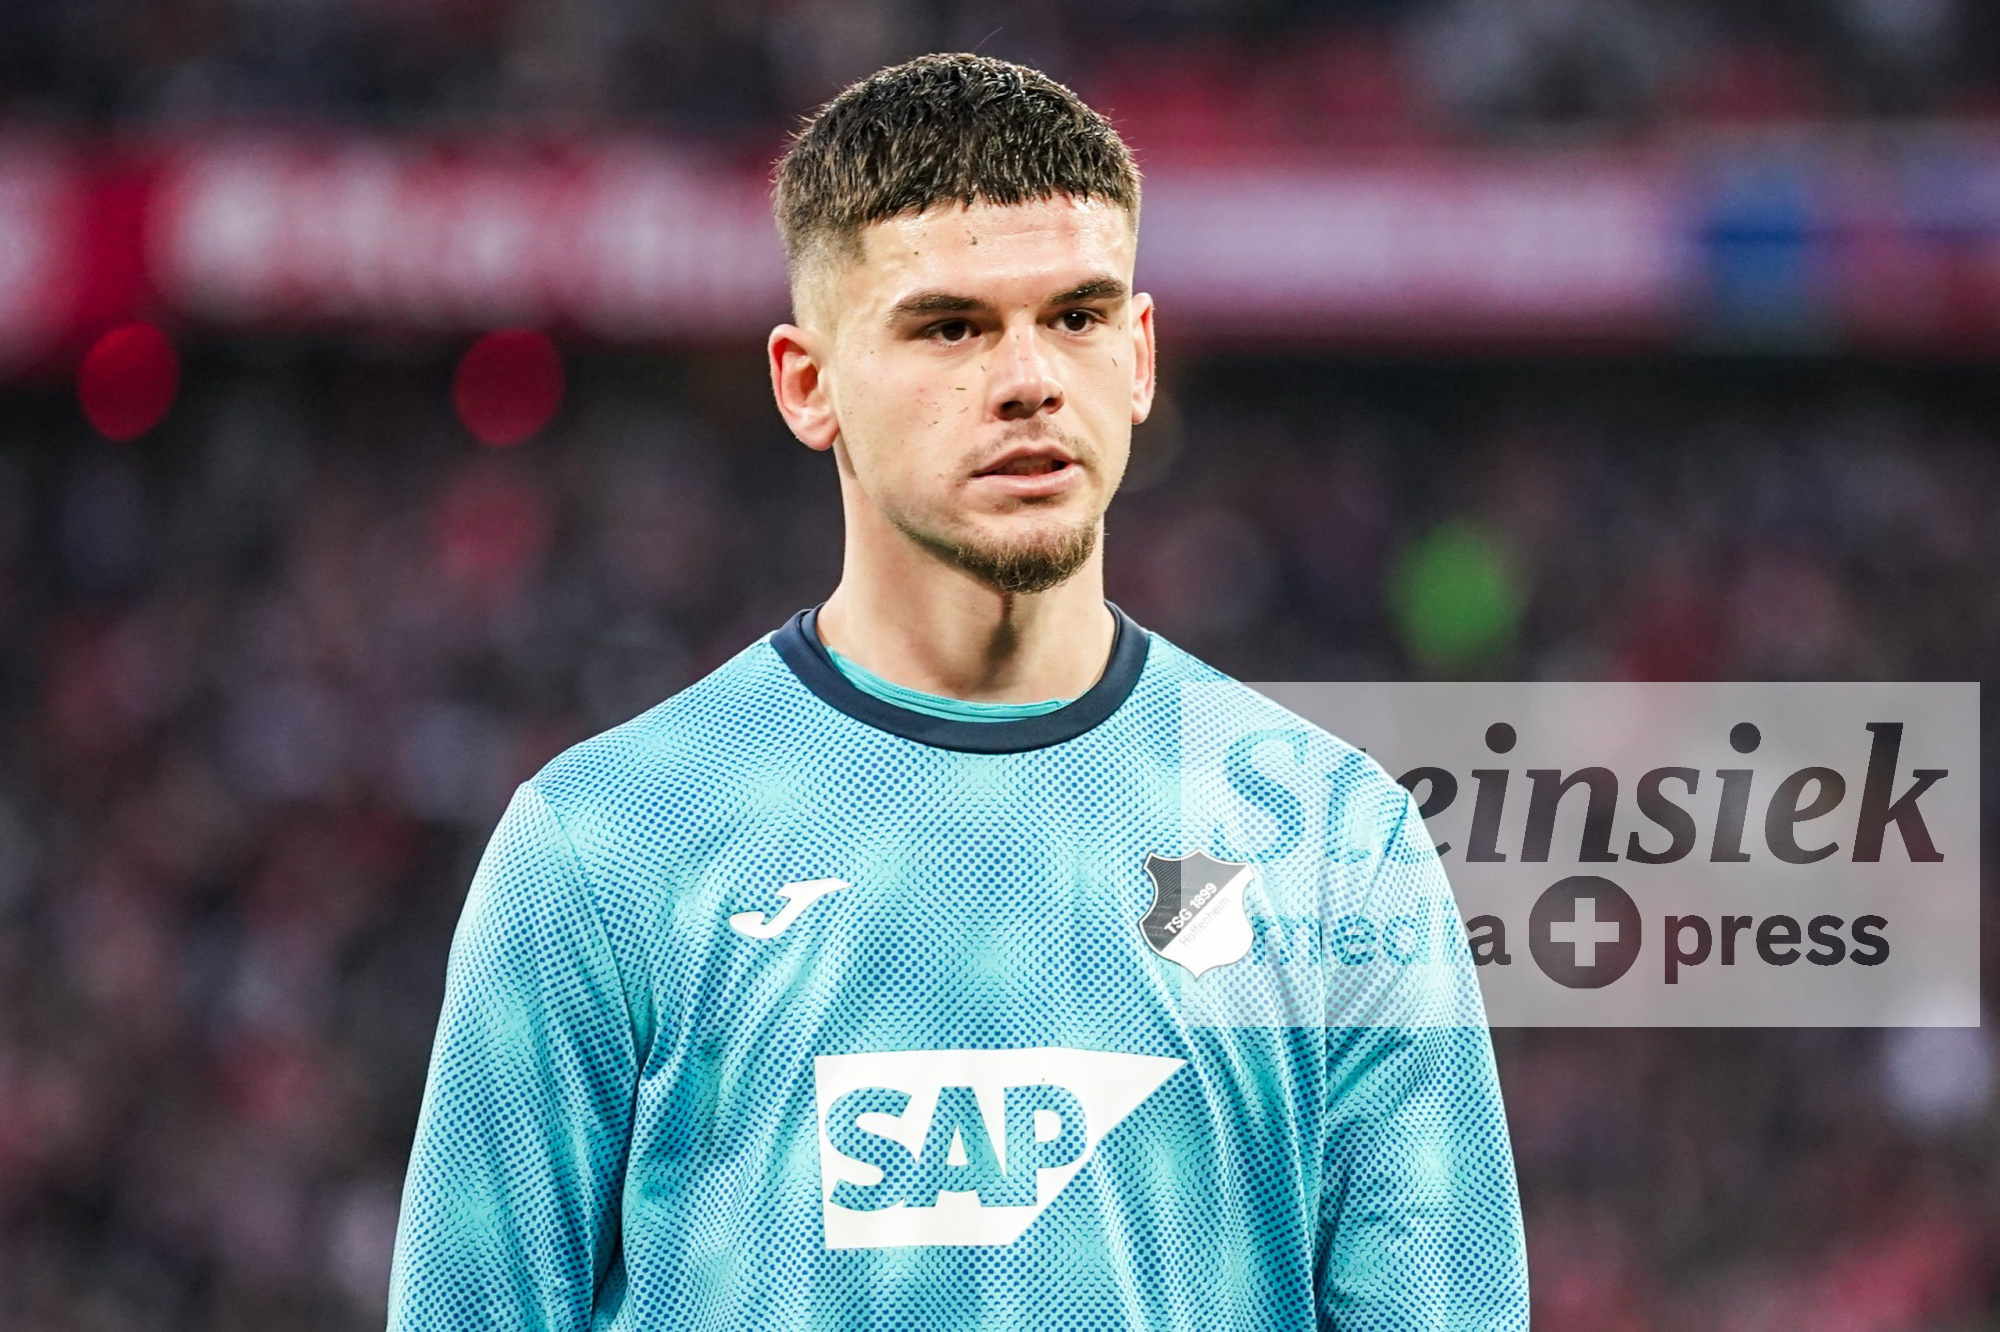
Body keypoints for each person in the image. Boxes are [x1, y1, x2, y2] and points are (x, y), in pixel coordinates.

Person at [388, 53, 1528, 1330]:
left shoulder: (1332, 839)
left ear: (1139, 358)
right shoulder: (606, 847)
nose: (1029, 378)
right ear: (807, 383)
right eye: (950, 327)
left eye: (1078, 317)